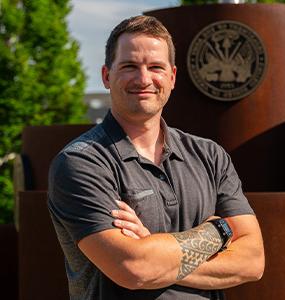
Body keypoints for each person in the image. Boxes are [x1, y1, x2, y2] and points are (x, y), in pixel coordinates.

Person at [48, 15, 264, 300]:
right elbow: (134, 268)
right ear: (106, 76)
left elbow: (253, 261)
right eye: (129, 66)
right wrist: (219, 231)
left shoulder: (210, 155)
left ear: (172, 77)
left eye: (155, 67)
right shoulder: (81, 163)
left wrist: (152, 248)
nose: (143, 78)